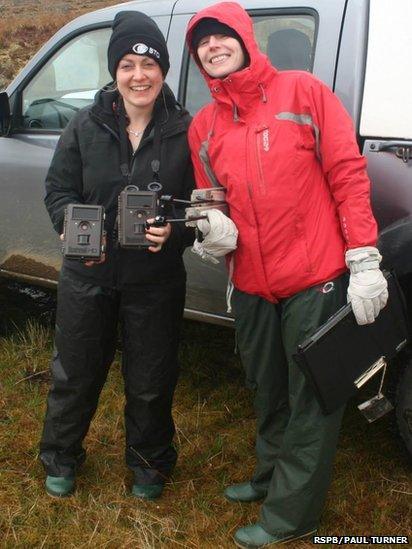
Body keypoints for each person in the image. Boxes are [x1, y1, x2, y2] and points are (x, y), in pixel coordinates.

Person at [186, 2, 388, 547]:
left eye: (222, 35)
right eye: (202, 43)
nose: (213, 46)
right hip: (250, 281)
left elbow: (347, 173)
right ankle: (270, 478)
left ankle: (291, 517)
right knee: (267, 389)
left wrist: (363, 255)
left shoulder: (303, 92)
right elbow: (210, 199)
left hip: (313, 277)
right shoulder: (204, 125)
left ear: (246, 39)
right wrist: (211, 229)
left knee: (310, 399)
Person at [40, 10, 194, 500]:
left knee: (151, 377)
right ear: (115, 72)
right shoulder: (85, 124)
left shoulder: (185, 130)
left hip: (155, 280)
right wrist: (69, 223)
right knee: (75, 371)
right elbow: (58, 189)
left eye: (148, 65)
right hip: (88, 275)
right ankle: (61, 457)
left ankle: (149, 466)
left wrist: (172, 233)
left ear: (163, 71)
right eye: (127, 64)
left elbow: (196, 209)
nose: (138, 75)